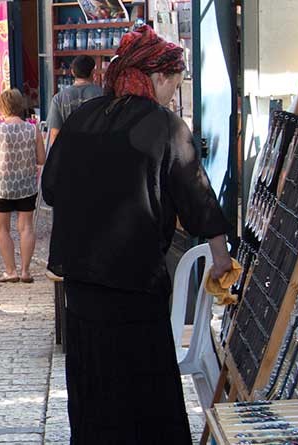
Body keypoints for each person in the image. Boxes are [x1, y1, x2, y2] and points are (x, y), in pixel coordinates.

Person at [41, 26, 232, 443]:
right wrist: (220, 257)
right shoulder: (164, 125)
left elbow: (51, 189)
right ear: (157, 78)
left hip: (82, 284)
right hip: (133, 285)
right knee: (144, 393)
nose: (172, 97)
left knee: (94, 392)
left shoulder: (82, 118)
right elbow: (198, 198)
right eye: (173, 87)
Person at [0, 89, 45, 283]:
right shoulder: (32, 129)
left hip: (2, 185)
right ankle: (26, 271)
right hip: (26, 184)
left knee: (3, 229)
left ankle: (11, 271)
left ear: (2, 107)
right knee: (26, 227)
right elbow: (41, 159)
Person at [47, 56, 104, 146]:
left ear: (73, 72)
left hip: (68, 153)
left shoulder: (59, 98)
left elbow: (54, 134)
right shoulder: (103, 95)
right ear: (93, 72)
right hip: (96, 151)